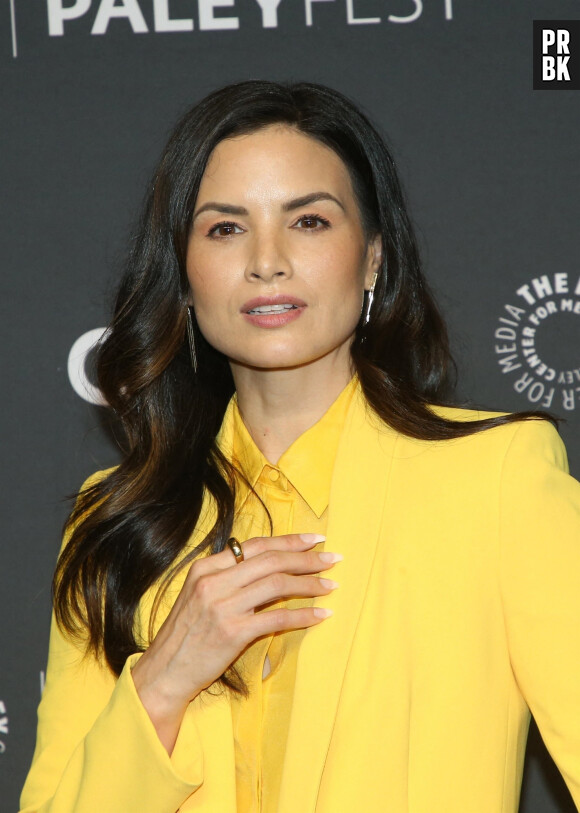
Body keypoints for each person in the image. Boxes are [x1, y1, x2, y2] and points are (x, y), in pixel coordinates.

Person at [20, 80, 580, 813]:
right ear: (182, 276)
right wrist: (162, 678)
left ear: (374, 258)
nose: (267, 260)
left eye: (309, 221)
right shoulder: (114, 523)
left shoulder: (498, 481)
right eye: (225, 228)